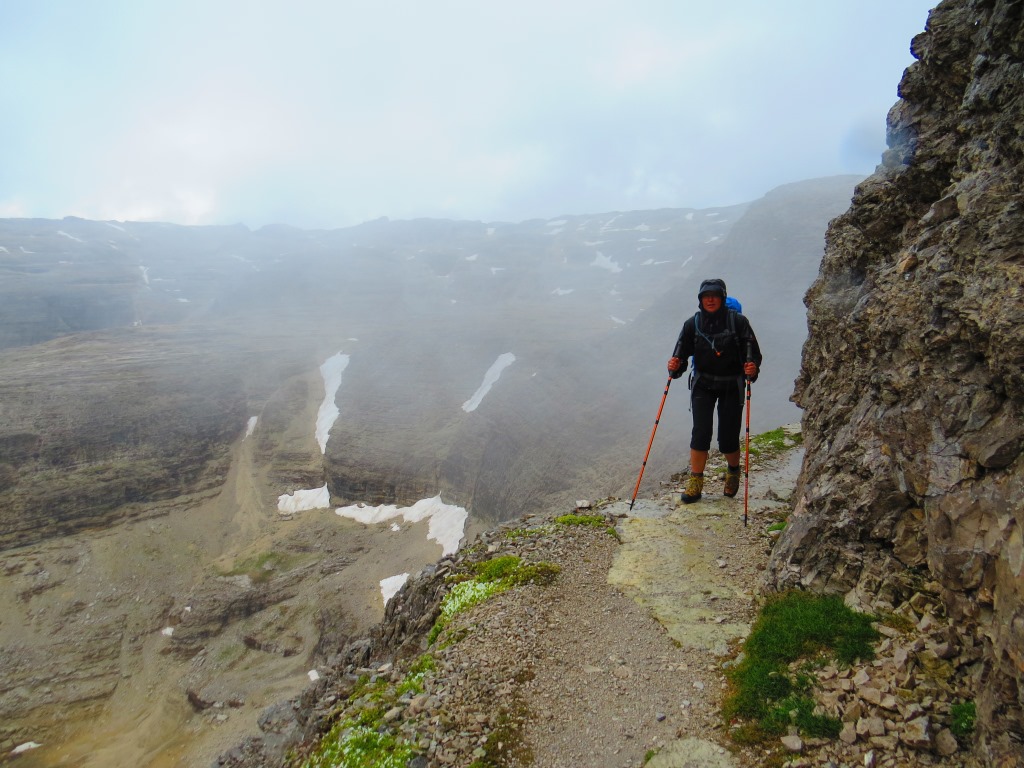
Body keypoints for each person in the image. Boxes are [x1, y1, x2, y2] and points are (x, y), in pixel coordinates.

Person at [667, 278, 761, 503]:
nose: (710, 299)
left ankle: (733, 471)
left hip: (731, 384)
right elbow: (681, 354)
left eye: (714, 295)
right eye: (705, 296)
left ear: (722, 297)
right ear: (700, 300)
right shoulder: (693, 324)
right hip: (703, 384)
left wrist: (752, 369)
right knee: (700, 433)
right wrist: (675, 366)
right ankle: (695, 483)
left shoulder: (738, 322)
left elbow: (753, 353)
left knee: (727, 439)